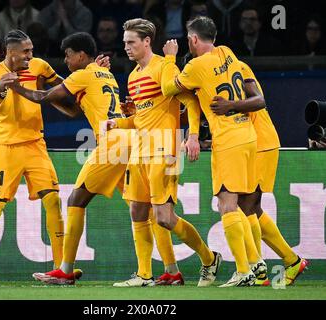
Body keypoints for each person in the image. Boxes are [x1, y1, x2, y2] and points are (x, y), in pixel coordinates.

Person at [9, 31, 186, 287]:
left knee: (76, 198)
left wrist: (15, 86)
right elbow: (70, 109)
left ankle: (66, 270)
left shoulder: (83, 74)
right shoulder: (106, 74)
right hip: (132, 139)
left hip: (113, 140)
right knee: (143, 209)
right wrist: (50, 94)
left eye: (69, 56)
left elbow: (43, 97)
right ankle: (171, 270)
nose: (66, 62)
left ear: (81, 55)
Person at [107, 18, 222, 288]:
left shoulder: (163, 67)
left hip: (163, 151)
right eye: (124, 43)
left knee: (165, 218)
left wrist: (193, 135)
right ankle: (144, 274)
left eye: (131, 42)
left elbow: (191, 102)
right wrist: (120, 122)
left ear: (147, 41)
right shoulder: (134, 75)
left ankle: (209, 258)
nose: (126, 47)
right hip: (139, 151)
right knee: (137, 210)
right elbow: (141, 118)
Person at [161, 16, 266, 287]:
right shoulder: (227, 53)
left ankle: (244, 271)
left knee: (227, 205)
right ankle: (257, 264)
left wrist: (170, 59)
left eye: (188, 38)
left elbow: (168, 88)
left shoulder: (195, 66)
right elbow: (255, 98)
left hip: (228, 138)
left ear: (194, 39)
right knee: (243, 206)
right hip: (248, 136)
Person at [0, 30, 74, 288]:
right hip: (6, 148)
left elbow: (66, 87)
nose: (30, 55)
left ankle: (61, 270)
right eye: (26, 51)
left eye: (31, 50)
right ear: (10, 52)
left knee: (52, 200)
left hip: (36, 145)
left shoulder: (39, 67)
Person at [210, 61, 310, 286]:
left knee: (246, 206)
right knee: (250, 207)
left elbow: (258, 102)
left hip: (260, 142)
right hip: (252, 141)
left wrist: (230, 106)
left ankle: (266, 267)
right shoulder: (227, 69)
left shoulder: (235, 68)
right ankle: (283, 262)